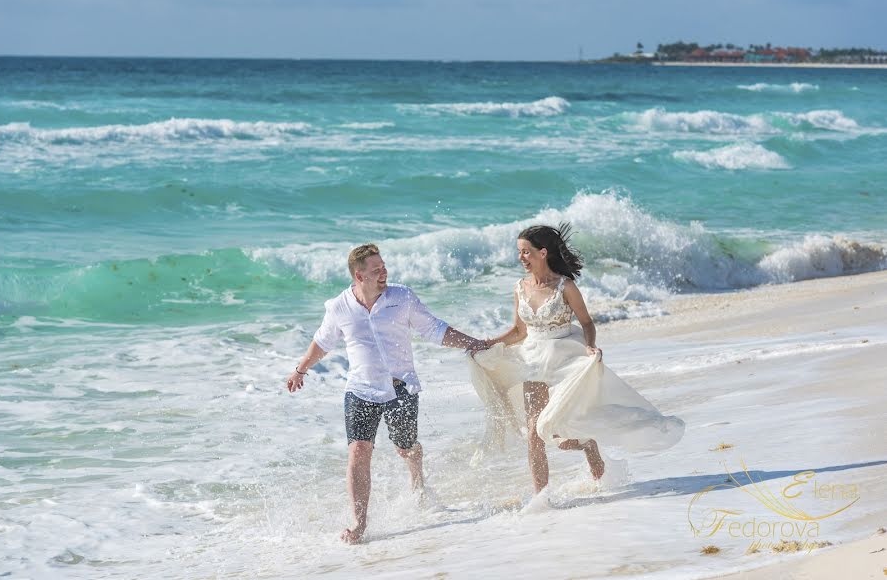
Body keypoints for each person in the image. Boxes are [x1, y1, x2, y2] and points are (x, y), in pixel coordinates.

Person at [287, 243, 488, 544]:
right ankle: (359, 523)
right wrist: (300, 370)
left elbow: (434, 329)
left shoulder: (401, 297)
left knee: (405, 448)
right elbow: (322, 342)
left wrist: (473, 342)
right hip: (360, 389)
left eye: (384, 267)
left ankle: (417, 479)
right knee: (358, 451)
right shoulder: (340, 306)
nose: (384, 273)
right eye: (376, 269)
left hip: (400, 388)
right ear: (359, 275)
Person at [469, 224, 684, 496]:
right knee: (535, 431)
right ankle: (542, 499)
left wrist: (591, 346)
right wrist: (488, 344)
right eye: (519, 252)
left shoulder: (565, 286)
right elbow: (519, 331)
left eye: (525, 252)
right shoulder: (520, 288)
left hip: (565, 357)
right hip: (532, 360)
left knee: (557, 429)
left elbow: (586, 322)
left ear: (543, 253)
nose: (520, 257)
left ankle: (587, 444)